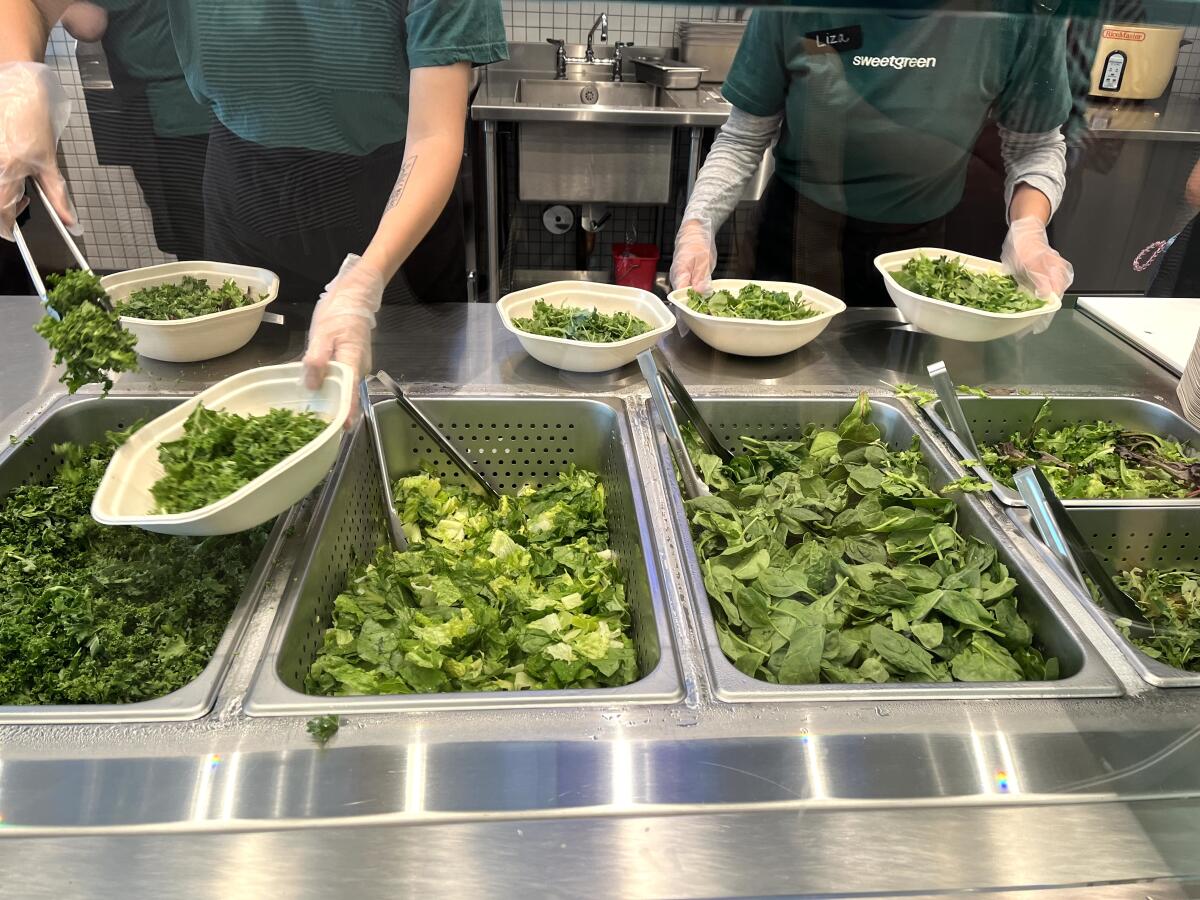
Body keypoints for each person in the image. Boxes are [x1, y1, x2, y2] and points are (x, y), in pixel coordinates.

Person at [0, 0, 507, 391]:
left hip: (393, 197)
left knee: (409, 395)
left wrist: (363, 282)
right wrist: (16, 82)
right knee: (249, 395)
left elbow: (434, 137)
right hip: (246, 187)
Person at [670, 4, 1077, 306]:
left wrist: (1029, 232)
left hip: (922, 254)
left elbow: (1034, 146)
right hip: (796, 233)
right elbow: (742, 139)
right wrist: (697, 226)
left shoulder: (1022, 15)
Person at [60, 0, 212, 260]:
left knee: (197, 242)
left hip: (170, 108)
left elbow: (88, 23)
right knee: (244, 231)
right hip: (237, 102)